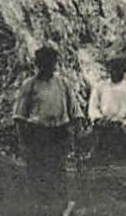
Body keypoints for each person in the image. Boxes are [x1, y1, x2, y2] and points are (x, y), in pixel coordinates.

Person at [13, 46, 84, 201]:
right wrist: (23, 144)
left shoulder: (63, 83)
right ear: (38, 64)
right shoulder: (29, 85)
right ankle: (38, 210)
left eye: (52, 63)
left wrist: (78, 133)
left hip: (59, 134)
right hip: (38, 134)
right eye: (45, 63)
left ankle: (57, 211)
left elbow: (75, 110)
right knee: (38, 173)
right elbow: (19, 116)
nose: (49, 67)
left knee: (58, 173)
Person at [88, 55, 126, 163]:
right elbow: (93, 106)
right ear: (109, 69)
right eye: (113, 68)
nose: (116, 71)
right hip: (104, 127)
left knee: (122, 162)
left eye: (119, 68)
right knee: (100, 161)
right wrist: (97, 118)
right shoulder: (100, 86)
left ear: (124, 70)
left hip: (121, 129)